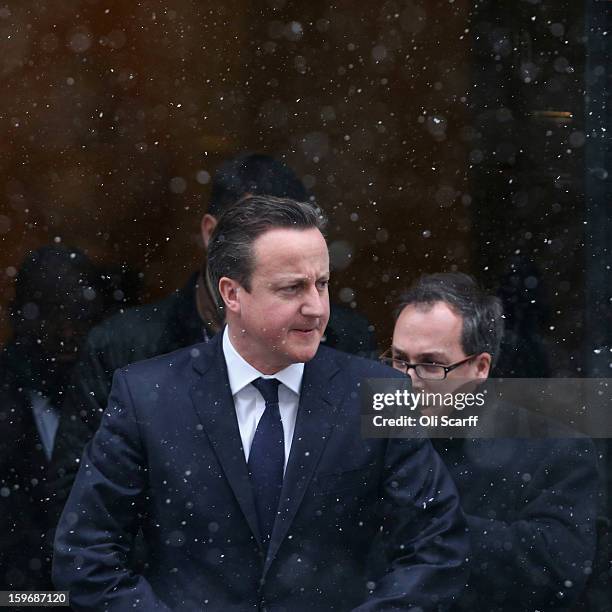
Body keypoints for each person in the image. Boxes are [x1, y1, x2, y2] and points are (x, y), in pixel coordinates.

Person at [53, 196, 469, 611]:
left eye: (322, 284)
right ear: (232, 293)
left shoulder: (380, 392)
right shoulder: (148, 395)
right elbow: (87, 555)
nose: (317, 307)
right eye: (292, 288)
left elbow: (436, 547)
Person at [48, 152, 377, 522]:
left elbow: (410, 505)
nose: (313, 306)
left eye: (320, 283)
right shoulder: (124, 352)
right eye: (255, 233)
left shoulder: (349, 342)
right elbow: (79, 509)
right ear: (211, 234)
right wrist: (176, 566)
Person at [387, 272, 599, 611]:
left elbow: (558, 567)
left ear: (480, 366)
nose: (408, 381)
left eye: (431, 364)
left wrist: (434, 528)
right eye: (399, 361)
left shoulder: (554, 449)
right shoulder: (378, 435)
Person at [0, 245, 105, 592]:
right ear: (16, 316)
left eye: (79, 314)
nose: (66, 331)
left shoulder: (119, 396)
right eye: (48, 313)